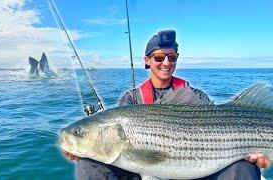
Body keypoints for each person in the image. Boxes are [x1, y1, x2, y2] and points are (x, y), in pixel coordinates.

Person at [65, 30, 270, 180]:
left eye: (171, 57)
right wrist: (82, 147)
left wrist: (257, 157)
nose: (166, 63)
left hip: (198, 174)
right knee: (88, 164)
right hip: (143, 173)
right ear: (147, 60)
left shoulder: (196, 96)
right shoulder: (130, 100)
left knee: (245, 168)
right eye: (159, 57)